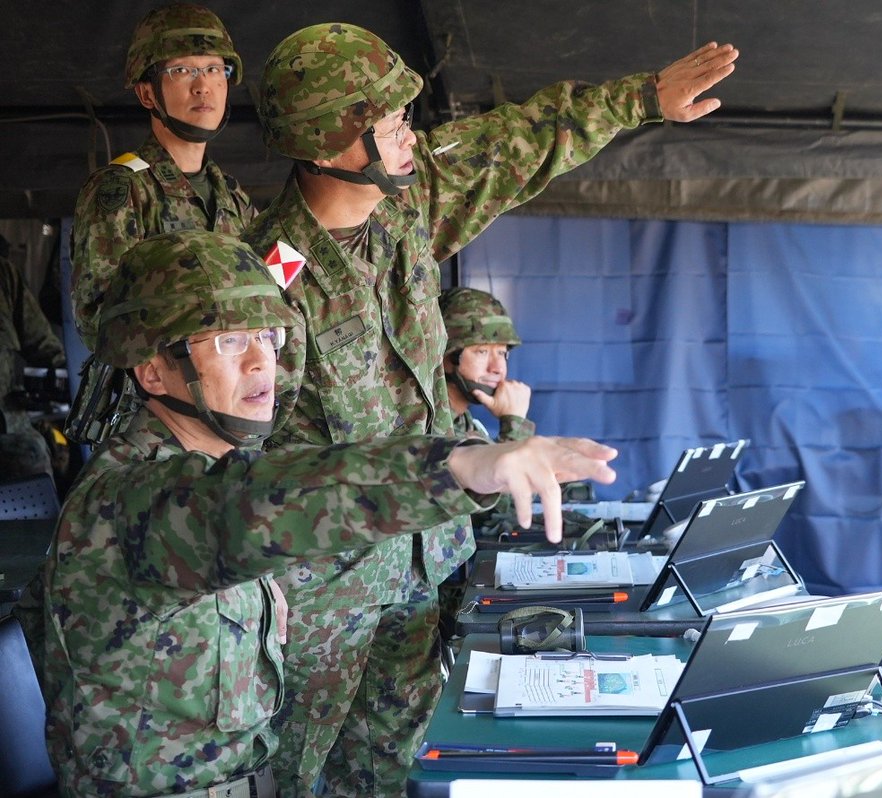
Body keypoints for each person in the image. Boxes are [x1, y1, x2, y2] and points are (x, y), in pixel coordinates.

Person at [242, 22, 736, 796]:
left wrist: (640, 99)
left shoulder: (405, 209)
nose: (410, 135)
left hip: (420, 578)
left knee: (390, 772)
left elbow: (515, 142)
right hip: (322, 601)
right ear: (328, 139)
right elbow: (245, 469)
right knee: (295, 778)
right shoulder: (265, 281)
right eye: (391, 123)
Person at [39, 229, 617, 797]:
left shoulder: (201, 468)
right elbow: (259, 500)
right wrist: (460, 466)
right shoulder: (131, 496)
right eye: (228, 342)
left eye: (268, 336)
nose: (262, 362)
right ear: (152, 371)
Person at [66, 3, 257, 444]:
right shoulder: (123, 188)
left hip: (228, 411)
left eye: (214, 69)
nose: (202, 85)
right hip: (155, 420)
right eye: (181, 71)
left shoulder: (232, 195)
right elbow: (99, 320)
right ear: (147, 94)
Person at [0, 243, 66, 481]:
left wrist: (75, 382)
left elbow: (42, 343)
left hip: (11, 431)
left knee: (39, 458)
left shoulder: (4, 275)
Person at [440, 286, 532, 442]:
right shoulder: (424, 425)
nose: (497, 368)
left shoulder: (463, 423)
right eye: (482, 352)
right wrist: (514, 426)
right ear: (446, 357)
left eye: (501, 353)